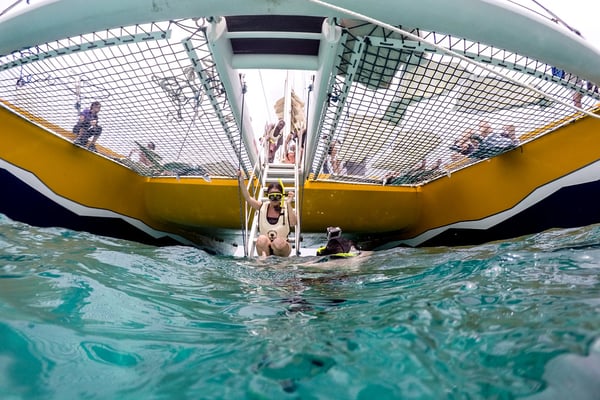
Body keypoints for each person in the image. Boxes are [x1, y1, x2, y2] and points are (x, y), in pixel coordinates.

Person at [237, 172, 297, 257]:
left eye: (278, 196)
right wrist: (241, 182)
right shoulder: (262, 206)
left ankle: (279, 263)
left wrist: (289, 204)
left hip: (282, 247)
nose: (275, 199)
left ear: (282, 196)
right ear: (268, 196)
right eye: (272, 196)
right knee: (261, 239)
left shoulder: (287, 208)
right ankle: (264, 263)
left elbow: (293, 223)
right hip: (265, 247)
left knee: (278, 242)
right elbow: (248, 198)